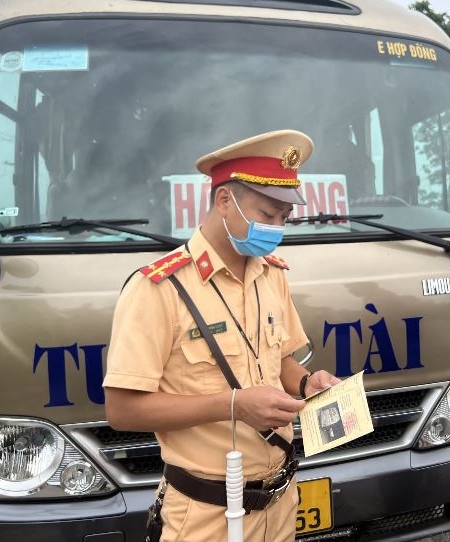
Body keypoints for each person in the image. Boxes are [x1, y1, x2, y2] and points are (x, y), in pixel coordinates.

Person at [103, 129, 340, 542]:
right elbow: (122, 411)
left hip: (281, 503)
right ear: (224, 201)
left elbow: (278, 359)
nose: (277, 228)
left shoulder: (272, 274)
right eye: (268, 215)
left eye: (285, 218)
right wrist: (233, 405)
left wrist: (306, 382)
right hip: (206, 514)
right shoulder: (158, 288)